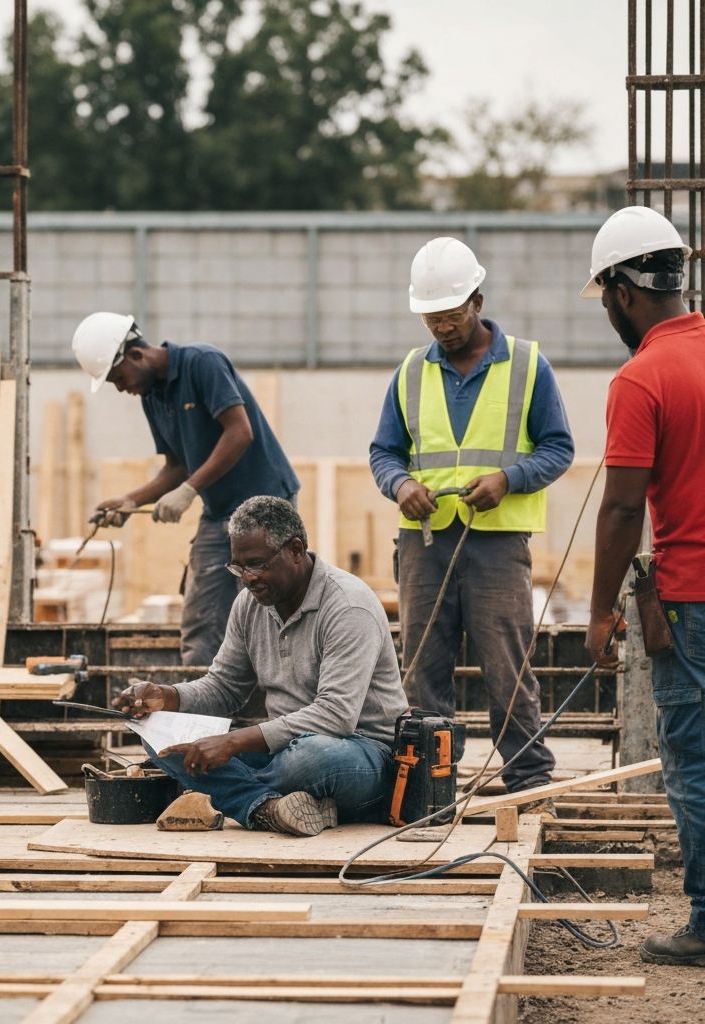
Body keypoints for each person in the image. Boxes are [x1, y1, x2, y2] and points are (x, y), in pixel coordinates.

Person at [369, 237, 574, 796]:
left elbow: (558, 448)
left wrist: (509, 480)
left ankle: (528, 777)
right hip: (425, 543)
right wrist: (402, 484)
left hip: (497, 542)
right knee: (421, 670)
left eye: (451, 314)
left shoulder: (529, 366)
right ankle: (434, 783)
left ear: (477, 301)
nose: (441, 327)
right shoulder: (411, 373)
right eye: (431, 317)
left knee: (506, 665)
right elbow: (383, 452)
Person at [113, 496, 408, 836]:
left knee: (309, 758)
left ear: (295, 550)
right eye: (238, 567)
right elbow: (223, 687)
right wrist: (166, 697)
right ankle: (267, 808)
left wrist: (232, 744)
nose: (247, 579)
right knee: (160, 733)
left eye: (255, 564)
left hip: (361, 755)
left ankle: (234, 794)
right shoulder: (250, 604)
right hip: (279, 749)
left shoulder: (348, 607)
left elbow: (336, 715)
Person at [582, 205, 705, 967]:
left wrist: (599, 612)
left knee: (693, 762)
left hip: (690, 599)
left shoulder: (642, 377)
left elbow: (625, 505)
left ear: (625, 292)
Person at [72, 313, 299, 668]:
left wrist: (190, 490)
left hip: (265, 507)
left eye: (118, 379)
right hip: (218, 513)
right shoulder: (153, 397)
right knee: (202, 619)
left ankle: (270, 712)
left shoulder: (201, 363)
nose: (121, 388)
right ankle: (199, 712)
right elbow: (176, 466)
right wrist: (130, 501)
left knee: (267, 611)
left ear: (135, 355)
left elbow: (240, 432)